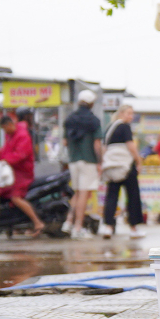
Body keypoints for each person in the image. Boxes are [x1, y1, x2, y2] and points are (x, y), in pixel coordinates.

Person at [61, 90, 103, 239]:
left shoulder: (69, 119)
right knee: (84, 194)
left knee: (77, 192)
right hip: (88, 160)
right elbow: (97, 144)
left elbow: (65, 141)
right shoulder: (94, 121)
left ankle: (68, 222)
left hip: (73, 160)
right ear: (91, 104)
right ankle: (78, 227)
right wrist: (100, 162)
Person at [0, 114, 45, 236]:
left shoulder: (23, 136)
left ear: (10, 125)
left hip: (22, 174)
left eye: (5, 129)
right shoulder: (10, 135)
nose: (4, 131)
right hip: (11, 172)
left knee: (15, 197)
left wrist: (5, 160)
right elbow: (5, 149)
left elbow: (20, 154)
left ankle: (37, 222)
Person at [101, 104, 146, 239]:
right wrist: (138, 161)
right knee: (132, 196)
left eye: (132, 114)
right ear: (121, 113)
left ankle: (108, 227)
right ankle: (133, 228)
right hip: (126, 166)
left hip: (112, 166)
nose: (131, 116)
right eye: (128, 113)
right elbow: (130, 146)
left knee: (111, 196)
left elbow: (104, 147)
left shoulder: (110, 128)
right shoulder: (125, 127)